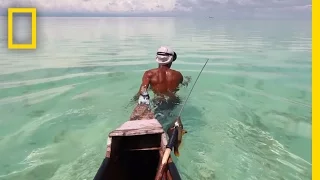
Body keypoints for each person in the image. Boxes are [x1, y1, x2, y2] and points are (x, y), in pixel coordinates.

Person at [134, 46, 191, 112]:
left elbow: (142, 91)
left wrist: (133, 102)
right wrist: (187, 80)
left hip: (158, 102)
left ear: (157, 58)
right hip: (174, 101)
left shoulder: (149, 74)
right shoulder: (178, 74)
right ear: (172, 59)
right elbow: (181, 85)